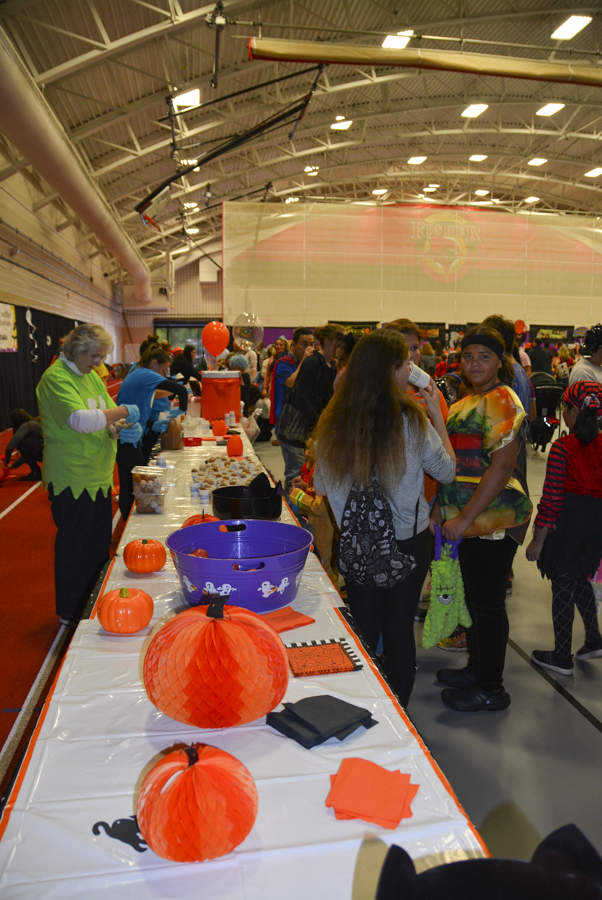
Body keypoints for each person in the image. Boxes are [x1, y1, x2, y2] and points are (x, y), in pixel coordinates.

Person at [314, 329, 456, 707]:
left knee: (363, 628)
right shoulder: (412, 419)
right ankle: (399, 712)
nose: (411, 369)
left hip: (356, 543)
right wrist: (437, 416)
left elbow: (322, 486)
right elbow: (447, 472)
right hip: (407, 542)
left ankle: (364, 705)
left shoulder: (333, 421)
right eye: (406, 363)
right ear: (391, 370)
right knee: (399, 629)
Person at [432, 325, 533, 712]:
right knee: (474, 600)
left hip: (494, 521)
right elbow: (451, 463)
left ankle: (491, 688)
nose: (474, 363)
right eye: (468, 356)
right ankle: (477, 669)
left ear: (500, 362)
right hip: (467, 519)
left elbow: (502, 467)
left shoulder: (503, 399)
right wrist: (441, 510)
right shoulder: (465, 402)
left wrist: (463, 519)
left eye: (484, 356)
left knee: (487, 605)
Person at [36, 323, 141, 626]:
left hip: (97, 477)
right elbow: (81, 420)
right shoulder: (56, 378)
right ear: (77, 350)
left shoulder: (90, 376)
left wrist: (119, 428)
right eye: (95, 356)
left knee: (97, 545)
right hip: (71, 476)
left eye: (102, 357)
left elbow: (105, 415)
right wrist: (124, 412)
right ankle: (71, 609)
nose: (99, 363)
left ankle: (92, 601)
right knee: (75, 547)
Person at [525, 381, 602, 674]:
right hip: (596, 523)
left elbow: (552, 499)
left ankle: (561, 656)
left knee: (562, 584)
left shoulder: (562, 448)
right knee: (580, 576)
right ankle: (593, 639)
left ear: (572, 411)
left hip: (567, 523)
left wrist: (538, 541)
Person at [117, 345, 188, 520]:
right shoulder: (145, 374)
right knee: (131, 484)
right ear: (154, 363)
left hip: (133, 435)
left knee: (134, 481)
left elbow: (139, 410)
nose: (163, 375)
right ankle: (128, 524)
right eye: (163, 370)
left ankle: (130, 519)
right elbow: (180, 390)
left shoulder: (139, 374)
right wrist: (182, 408)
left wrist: (152, 423)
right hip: (126, 436)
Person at [279, 324, 338, 492]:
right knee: (295, 476)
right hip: (295, 431)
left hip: (311, 432)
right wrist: (321, 422)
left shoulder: (331, 366)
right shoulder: (312, 362)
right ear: (327, 342)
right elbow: (302, 399)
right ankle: (289, 508)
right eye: (339, 340)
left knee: (308, 475)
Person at [269, 328, 315, 487]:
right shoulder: (283, 363)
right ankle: (289, 501)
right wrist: (305, 362)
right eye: (304, 344)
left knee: (303, 470)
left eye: (311, 344)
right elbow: (291, 382)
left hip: (302, 425)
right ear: (293, 345)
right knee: (295, 472)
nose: (309, 348)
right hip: (286, 425)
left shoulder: (309, 363)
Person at [4, 409, 43, 480]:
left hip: (49, 454)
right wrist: (14, 466)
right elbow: (28, 453)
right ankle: (36, 472)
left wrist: (5, 463)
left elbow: (10, 447)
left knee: (21, 442)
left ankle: (36, 473)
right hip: (53, 453)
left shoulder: (27, 425)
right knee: (24, 444)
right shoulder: (34, 423)